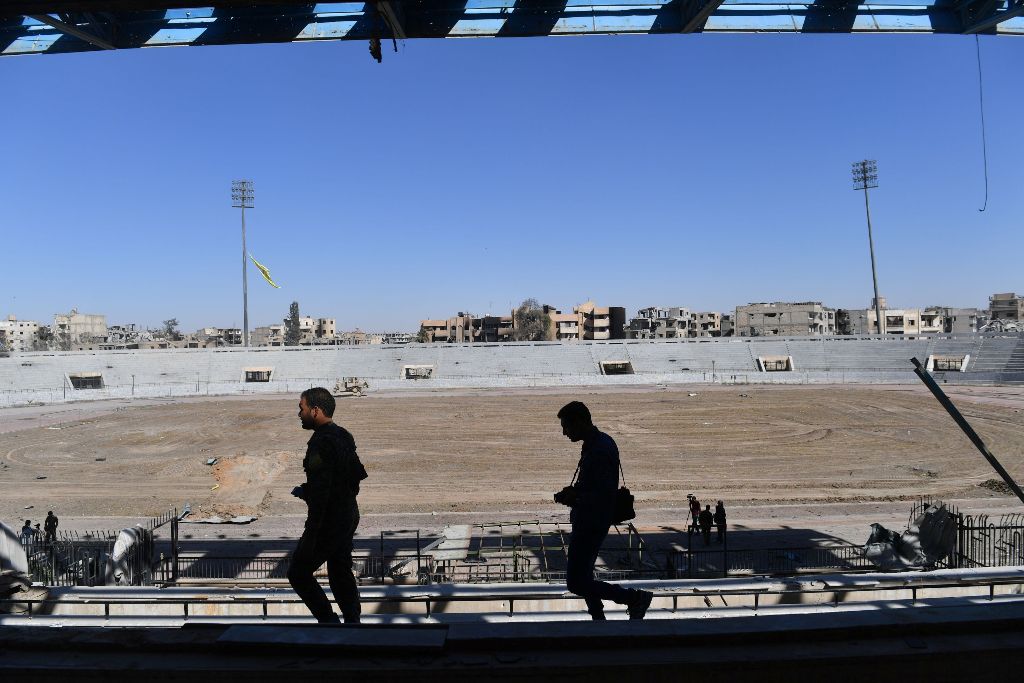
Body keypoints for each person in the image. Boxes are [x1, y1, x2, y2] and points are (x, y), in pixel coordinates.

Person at [555, 401, 653, 621]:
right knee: (585, 576)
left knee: (576, 583)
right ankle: (598, 617)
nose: (564, 433)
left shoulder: (598, 450)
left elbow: (601, 495)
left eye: (566, 427)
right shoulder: (601, 442)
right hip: (592, 520)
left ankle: (633, 598)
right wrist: (575, 493)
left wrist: (575, 497)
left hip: (590, 522)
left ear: (580, 422)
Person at [287, 387, 368, 624]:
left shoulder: (321, 443)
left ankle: (329, 621)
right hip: (348, 513)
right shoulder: (343, 435)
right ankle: (353, 622)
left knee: (298, 573)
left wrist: (313, 528)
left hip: (329, 519)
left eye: (301, 408)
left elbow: (323, 490)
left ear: (315, 410)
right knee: (339, 568)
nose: (299, 414)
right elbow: (354, 476)